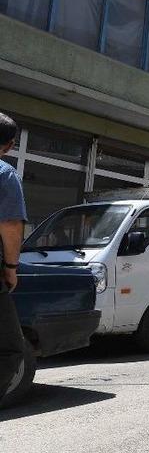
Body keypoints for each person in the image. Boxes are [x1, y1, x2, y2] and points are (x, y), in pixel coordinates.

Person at [0, 113, 26, 402]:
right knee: (9, 349)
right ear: (8, 146)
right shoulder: (5, 174)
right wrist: (10, 267)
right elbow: (9, 225)